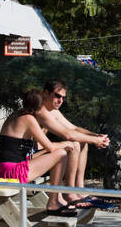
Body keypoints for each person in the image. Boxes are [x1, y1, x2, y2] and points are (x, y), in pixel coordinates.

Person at [0, 90, 77, 214]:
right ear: (40, 106)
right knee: (61, 154)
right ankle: (54, 202)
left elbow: (36, 151)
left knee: (58, 152)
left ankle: (57, 198)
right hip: (11, 172)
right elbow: (50, 148)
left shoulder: (17, 115)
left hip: (4, 167)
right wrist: (66, 143)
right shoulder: (28, 119)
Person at [33, 80, 110, 209]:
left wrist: (95, 136)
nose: (60, 100)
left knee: (82, 142)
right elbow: (68, 135)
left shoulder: (53, 112)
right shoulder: (40, 112)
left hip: (41, 154)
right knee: (73, 143)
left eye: (63, 97)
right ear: (45, 93)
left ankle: (79, 189)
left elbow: (73, 129)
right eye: (57, 96)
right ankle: (69, 192)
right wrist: (96, 141)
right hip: (33, 158)